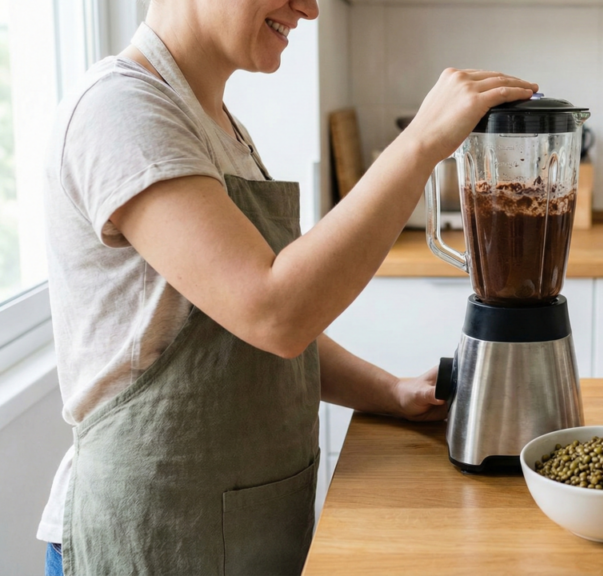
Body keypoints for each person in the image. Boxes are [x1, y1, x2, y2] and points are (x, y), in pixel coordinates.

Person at [38, 0, 538, 574]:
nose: (310, 8)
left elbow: (234, 338)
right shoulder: (120, 110)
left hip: (240, 538)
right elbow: (273, 313)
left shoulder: (218, 126)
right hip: (151, 540)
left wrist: (390, 391)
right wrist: (421, 141)